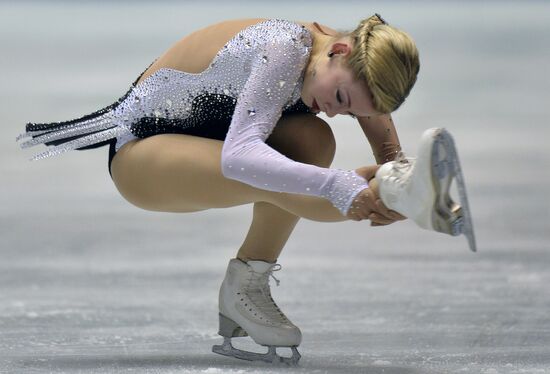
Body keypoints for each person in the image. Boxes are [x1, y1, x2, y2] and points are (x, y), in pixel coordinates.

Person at [16, 15, 475, 364]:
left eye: (350, 109)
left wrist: (408, 179)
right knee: (298, 172)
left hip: (205, 145)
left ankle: (246, 285)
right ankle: (391, 199)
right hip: (143, 159)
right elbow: (240, 157)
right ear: (338, 50)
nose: (337, 111)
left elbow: (387, 149)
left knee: (314, 140)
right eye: (339, 100)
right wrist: (349, 188)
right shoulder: (283, 49)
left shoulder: (350, 67)